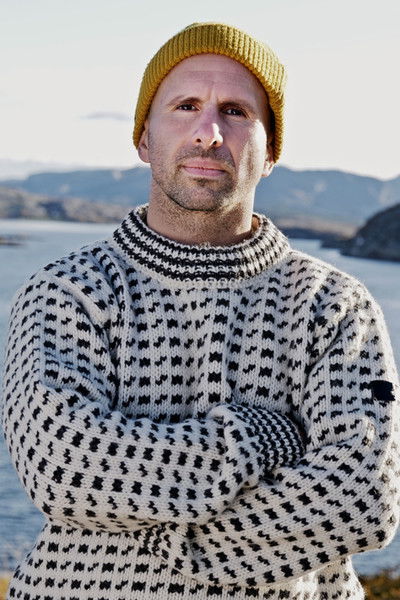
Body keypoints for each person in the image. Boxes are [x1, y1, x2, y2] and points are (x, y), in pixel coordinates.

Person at [2, 21, 399, 600]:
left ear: (271, 152)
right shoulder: (67, 291)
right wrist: (255, 439)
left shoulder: (335, 307)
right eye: (186, 106)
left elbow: (363, 500)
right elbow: (63, 469)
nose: (209, 133)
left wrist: (176, 542)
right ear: (144, 139)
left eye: (236, 112)